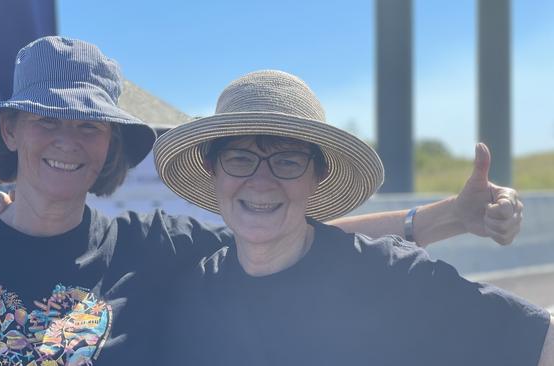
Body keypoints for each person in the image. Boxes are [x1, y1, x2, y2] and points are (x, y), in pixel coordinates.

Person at [0, 36, 524, 366]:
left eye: (90, 124)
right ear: (10, 131)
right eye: (47, 118)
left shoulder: (148, 249)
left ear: (111, 145)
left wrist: (452, 216)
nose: (68, 140)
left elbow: (286, 234)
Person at [151, 70, 553, 365]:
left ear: (317, 175)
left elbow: (537, 340)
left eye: (287, 161)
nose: (261, 181)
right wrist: (451, 216)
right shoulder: (186, 290)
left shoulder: (390, 276)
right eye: (240, 158)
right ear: (212, 169)